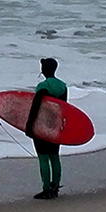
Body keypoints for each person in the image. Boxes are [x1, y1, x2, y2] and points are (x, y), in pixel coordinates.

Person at [26, 57, 68, 199]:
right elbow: (64, 107)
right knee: (54, 156)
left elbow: (35, 107)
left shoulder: (43, 86)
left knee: (43, 157)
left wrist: (29, 125)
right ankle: (55, 188)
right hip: (55, 125)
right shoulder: (63, 86)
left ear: (43, 70)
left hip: (42, 125)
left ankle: (46, 189)